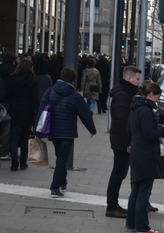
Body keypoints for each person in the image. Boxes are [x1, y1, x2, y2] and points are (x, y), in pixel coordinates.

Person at [39, 67, 96, 197]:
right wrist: (92, 129)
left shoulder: (50, 91)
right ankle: (55, 187)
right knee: (62, 159)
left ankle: (62, 180)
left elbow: (41, 109)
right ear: (73, 80)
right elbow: (85, 114)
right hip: (67, 132)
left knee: (60, 157)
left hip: (52, 130)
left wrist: (37, 127)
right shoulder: (75, 96)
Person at [126, 81, 164, 233]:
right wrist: (162, 129)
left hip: (137, 151)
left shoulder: (135, 107)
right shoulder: (146, 111)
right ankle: (142, 226)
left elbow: (132, 129)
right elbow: (149, 133)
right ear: (151, 95)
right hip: (146, 153)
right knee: (143, 192)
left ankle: (131, 223)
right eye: (158, 97)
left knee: (136, 190)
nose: (158, 100)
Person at [106, 65, 142, 218]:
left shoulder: (126, 93)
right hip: (122, 141)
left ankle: (113, 205)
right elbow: (122, 121)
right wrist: (129, 142)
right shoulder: (123, 95)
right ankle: (112, 206)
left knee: (119, 173)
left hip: (121, 139)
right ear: (128, 78)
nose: (139, 82)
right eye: (137, 79)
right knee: (118, 173)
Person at [7, 58, 39, 171]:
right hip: (28, 112)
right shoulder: (33, 80)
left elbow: (8, 95)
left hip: (15, 111)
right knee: (25, 139)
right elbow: (35, 98)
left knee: (14, 138)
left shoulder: (12, 78)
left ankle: (14, 163)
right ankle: (23, 163)